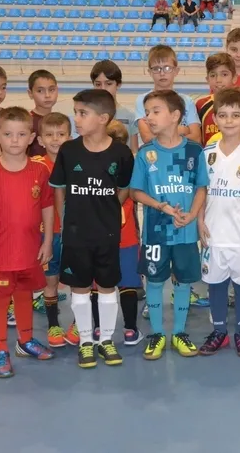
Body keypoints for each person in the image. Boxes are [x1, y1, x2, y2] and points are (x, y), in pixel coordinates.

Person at [50, 89, 134, 368]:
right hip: (76, 234)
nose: (76, 119)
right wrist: (66, 219)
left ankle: (106, 339)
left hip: (107, 233)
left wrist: (109, 211)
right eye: (76, 112)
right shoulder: (68, 150)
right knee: (80, 287)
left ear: (103, 118)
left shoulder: (121, 153)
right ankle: (86, 340)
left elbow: (123, 189)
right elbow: (59, 189)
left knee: (108, 286)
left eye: (82, 113)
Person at [0, 107, 55, 378]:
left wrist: (48, 240)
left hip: (30, 249)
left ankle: (25, 341)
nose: (14, 140)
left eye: (21, 134)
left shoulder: (40, 171)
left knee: (24, 294)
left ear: (31, 137)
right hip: (0, 253)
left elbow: (48, 208)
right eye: (7, 134)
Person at [132, 90, 209, 360]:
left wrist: (192, 214)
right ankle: (156, 333)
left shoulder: (193, 151)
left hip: (186, 233)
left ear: (175, 116)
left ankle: (178, 332)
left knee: (183, 282)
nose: (148, 117)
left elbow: (201, 187)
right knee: (154, 280)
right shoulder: (146, 153)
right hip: (155, 232)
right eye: (147, 111)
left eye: (155, 111)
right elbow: (136, 192)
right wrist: (160, 206)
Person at [197, 87, 240, 358]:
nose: (228, 120)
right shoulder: (208, 150)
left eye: (235, 115)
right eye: (223, 115)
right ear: (215, 117)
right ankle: (218, 331)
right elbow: (201, 189)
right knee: (215, 283)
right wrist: (200, 220)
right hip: (214, 233)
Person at [104, 120, 144, 346]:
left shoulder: (98, 161)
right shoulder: (132, 162)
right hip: (125, 237)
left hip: (103, 233)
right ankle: (130, 329)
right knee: (128, 283)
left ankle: (101, 329)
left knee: (101, 284)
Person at [35, 113, 72, 348]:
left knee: (81, 281)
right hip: (48, 234)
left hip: (75, 233)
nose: (55, 139)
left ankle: (81, 323)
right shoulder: (36, 166)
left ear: (70, 137)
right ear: (40, 139)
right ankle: (53, 325)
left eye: (61, 134)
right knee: (51, 281)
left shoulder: (78, 162)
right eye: (49, 135)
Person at [135, 45, 202, 145]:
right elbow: (147, 138)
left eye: (167, 68)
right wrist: (183, 130)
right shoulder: (142, 100)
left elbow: (196, 138)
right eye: (156, 68)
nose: (162, 73)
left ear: (176, 71)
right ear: (150, 72)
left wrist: (160, 132)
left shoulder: (186, 101)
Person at [90, 60, 138, 152]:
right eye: (98, 84)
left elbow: (134, 151)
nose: (103, 88)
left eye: (108, 84)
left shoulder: (130, 116)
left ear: (118, 84)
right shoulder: (89, 116)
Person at [195, 53, 237, 146]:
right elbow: (198, 138)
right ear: (207, 79)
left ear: (234, 78)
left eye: (224, 74)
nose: (218, 80)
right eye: (213, 75)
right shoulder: (201, 105)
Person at [25, 70, 63, 157]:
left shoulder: (60, 121)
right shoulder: (27, 121)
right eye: (40, 91)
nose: (47, 95)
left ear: (57, 90)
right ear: (30, 93)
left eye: (51, 90)